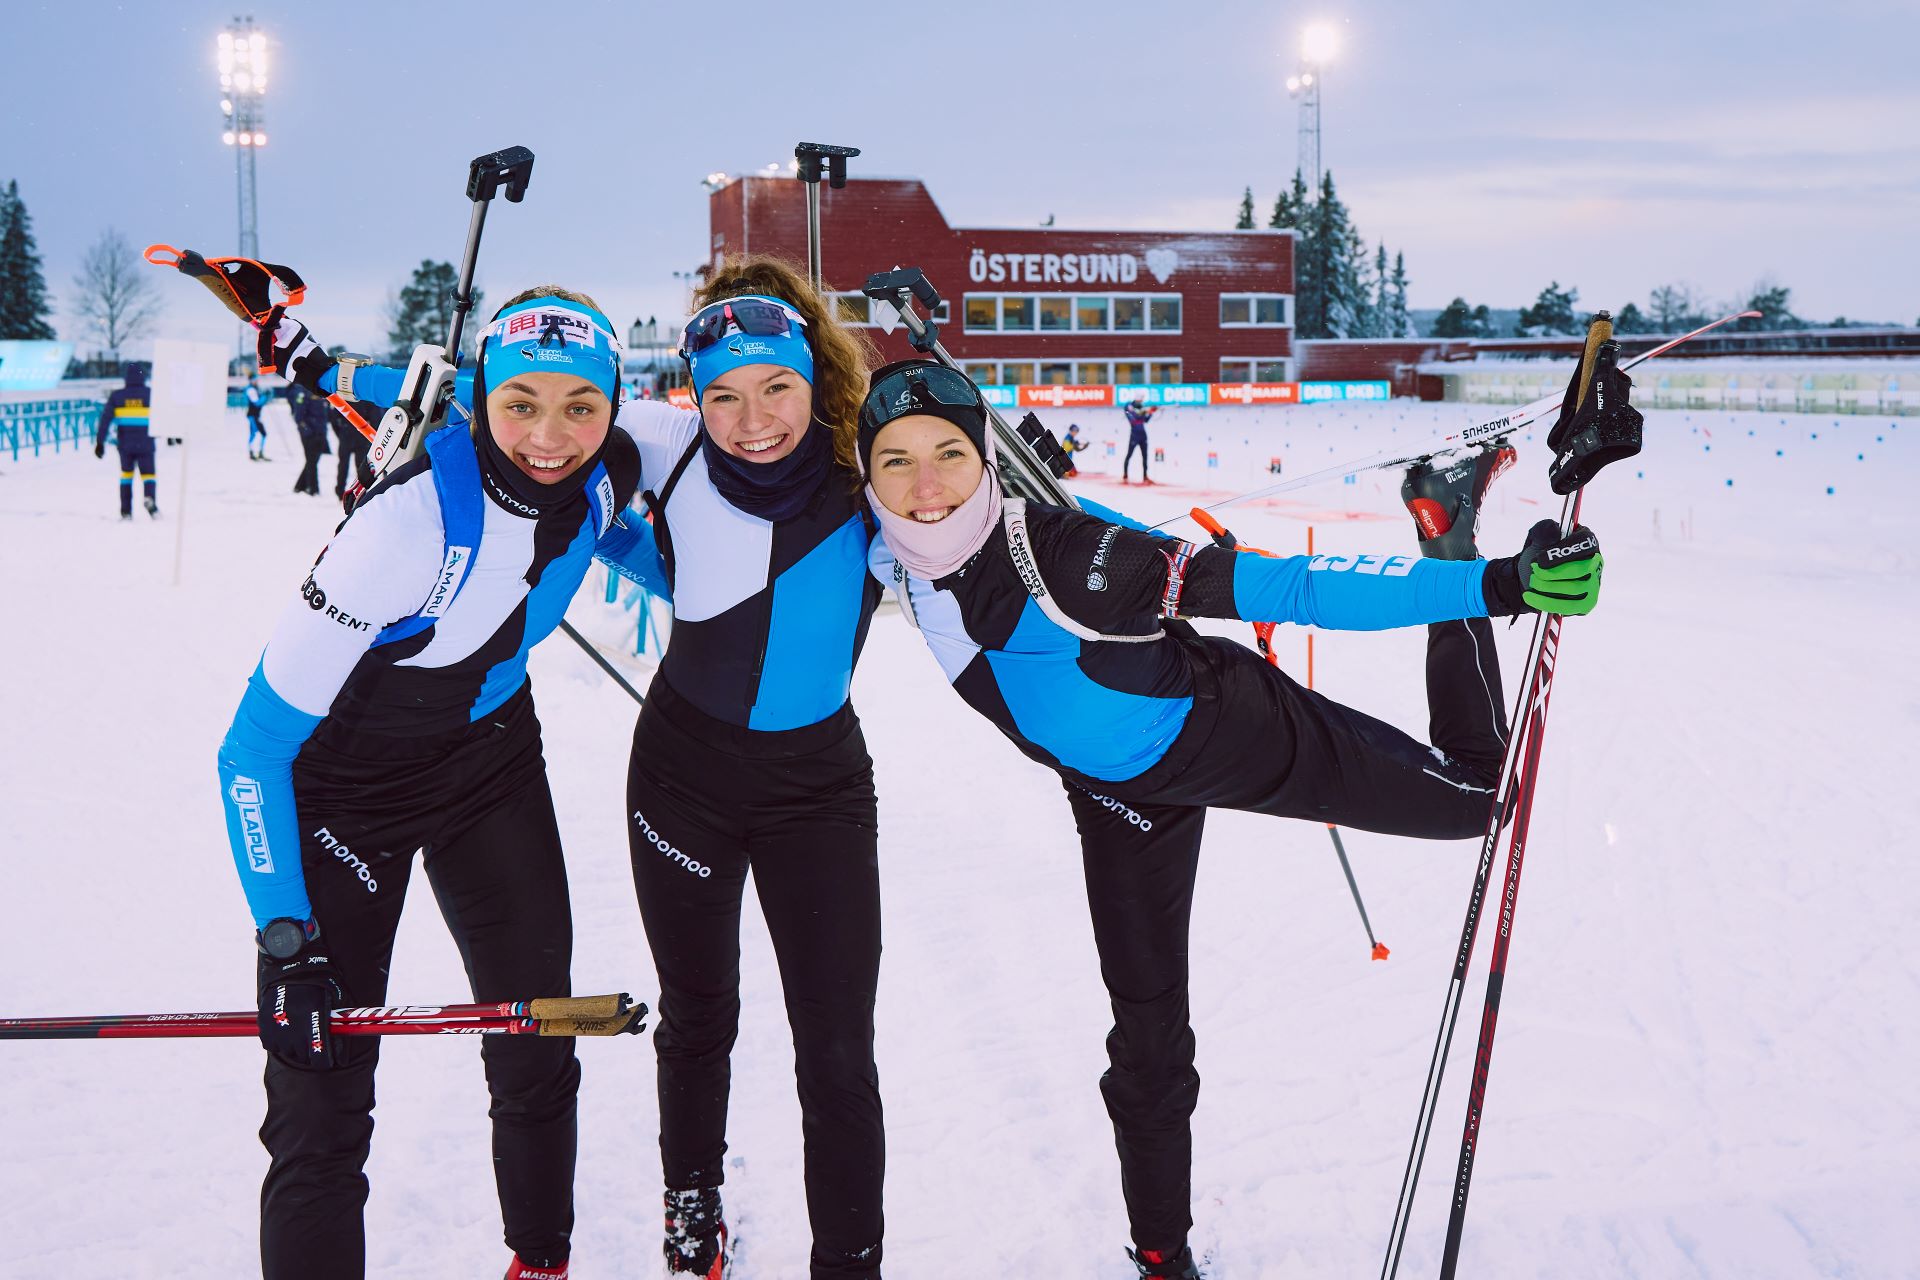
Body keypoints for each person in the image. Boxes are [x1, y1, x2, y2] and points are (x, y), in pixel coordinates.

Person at [856, 359, 1613, 1280]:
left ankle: (1445, 535)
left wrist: (1496, 585)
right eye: (896, 461)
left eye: (948, 455)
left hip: (1226, 731)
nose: (925, 488)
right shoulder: (881, 545)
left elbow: (1295, 589)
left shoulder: (1072, 560)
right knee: (1147, 1038)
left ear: (983, 462)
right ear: (867, 474)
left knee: (1475, 803)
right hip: (1112, 796)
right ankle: (1162, 1254)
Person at [215, 283, 663, 1280]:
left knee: (537, 1033)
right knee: (320, 1095)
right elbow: (250, 754)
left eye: (581, 406)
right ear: (483, 400)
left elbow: (668, 552)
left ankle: (540, 1260)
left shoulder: (604, 479)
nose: (552, 434)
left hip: (489, 763)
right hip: (343, 794)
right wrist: (286, 939)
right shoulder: (406, 528)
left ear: (613, 406)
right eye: (523, 403)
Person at [602, 255, 887, 1280]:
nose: (750, 416)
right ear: (694, 394)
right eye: (723, 393)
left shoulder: (869, 474)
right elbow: (516, 401)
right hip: (682, 773)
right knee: (697, 1014)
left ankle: (850, 1256)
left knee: (837, 1049)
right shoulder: (667, 445)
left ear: (814, 378)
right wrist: (325, 363)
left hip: (817, 788)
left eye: (775, 388)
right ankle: (693, 1212)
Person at [93, 362, 158, 519]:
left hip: (125, 444)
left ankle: (126, 511)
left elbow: (105, 420)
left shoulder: (117, 396)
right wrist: (172, 435)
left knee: (126, 476)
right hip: (146, 443)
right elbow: (164, 417)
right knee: (149, 475)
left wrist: (100, 442)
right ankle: (149, 498)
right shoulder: (152, 395)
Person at [288, 383, 332, 495]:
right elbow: (298, 417)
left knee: (312, 461)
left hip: (321, 433)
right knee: (312, 462)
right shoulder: (302, 394)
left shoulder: (323, 392)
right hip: (309, 434)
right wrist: (307, 431)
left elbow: (327, 414)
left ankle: (299, 486)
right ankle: (313, 489)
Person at [330, 397, 373, 499]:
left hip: (348, 435)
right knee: (357, 466)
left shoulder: (343, 397)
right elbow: (375, 418)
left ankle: (341, 491)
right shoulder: (365, 398)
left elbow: (333, 418)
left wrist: (340, 433)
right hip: (358, 435)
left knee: (346, 465)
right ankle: (361, 491)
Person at [1122, 396, 1157, 484]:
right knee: (1129, 455)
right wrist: (1142, 412)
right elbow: (1133, 418)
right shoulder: (1129, 407)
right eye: (1140, 400)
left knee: (1145, 456)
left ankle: (1145, 476)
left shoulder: (1141, 408)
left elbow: (1146, 420)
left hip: (1142, 435)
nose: (1141, 402)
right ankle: (1125, 475)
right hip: (1134, 435)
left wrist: (1151, 412)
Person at [245, 373, 270, 460]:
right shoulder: (250, 390)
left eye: (256, 380)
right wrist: (264, 396)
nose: (256, 381)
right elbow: (257, 403)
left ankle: (260, 452)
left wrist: (265, 396)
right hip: (253, 415)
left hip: (257, 415)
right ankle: (252, 453)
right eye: (255, 380)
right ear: (251, 380)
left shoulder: (255, 389)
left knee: (263, 434)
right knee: (253, 434)